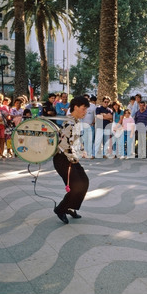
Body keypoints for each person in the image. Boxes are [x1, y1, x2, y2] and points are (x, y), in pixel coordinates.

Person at [53, 96, 90, 224]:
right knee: (76, 186)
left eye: (86, 110)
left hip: (70, 158)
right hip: (63, 159)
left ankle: (70, 207)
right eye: (83, 109)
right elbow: (64, 144)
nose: (85, 112)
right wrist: (74, 157)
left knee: (84, 181)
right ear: (75, 107)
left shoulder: (76, 122)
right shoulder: (70, 122)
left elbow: (75, 141)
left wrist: (81, 151)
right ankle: (61, 209)